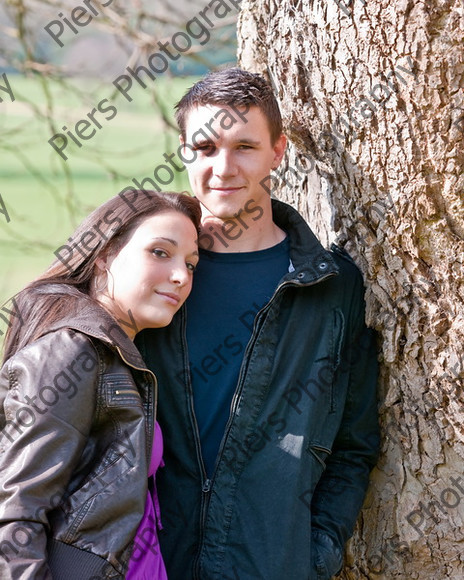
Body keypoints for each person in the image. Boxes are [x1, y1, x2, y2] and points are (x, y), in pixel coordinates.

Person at [136, 68, 380, 580]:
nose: (223, 167)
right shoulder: (149, 272)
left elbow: (354, 445)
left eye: (244, 146)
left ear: (278, 151)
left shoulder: (330, 286)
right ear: (183, 152)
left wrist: (316, 552)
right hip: (149, 563)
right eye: (204, 148)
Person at [0, 190, 201, 579]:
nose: (181, 275)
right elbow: (15, 512)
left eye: (191, 264)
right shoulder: (71, 353)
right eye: (161, 252)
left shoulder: (120, 355)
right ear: (105, 254)